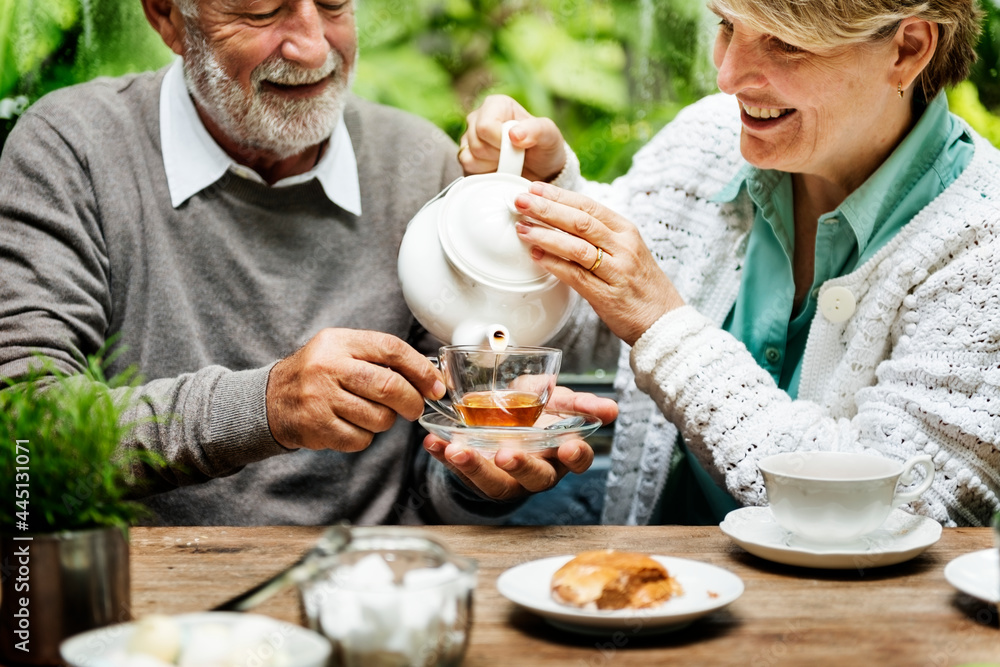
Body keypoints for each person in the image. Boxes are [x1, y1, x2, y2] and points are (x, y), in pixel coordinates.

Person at [0, 0, 616, 526]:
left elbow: (442, 461)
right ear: (167, 16)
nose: (313, 46)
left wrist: (480, 477)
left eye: (333, 4)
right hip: (144, 607)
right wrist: (264, 407)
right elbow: (20, 440)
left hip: (365, 597)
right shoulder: (71, 149)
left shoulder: (418, 164)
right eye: (263, 10)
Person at [457, 0, 999, 527]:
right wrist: (542, 194)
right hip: (655, 592)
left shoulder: (983, 242)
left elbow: (899, 508)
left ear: (906, 49)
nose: (729, 76)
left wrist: (665, 329)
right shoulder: (708, 139)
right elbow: (599, 322)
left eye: (784, 43)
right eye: (726, 26)